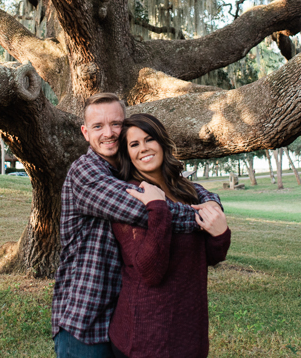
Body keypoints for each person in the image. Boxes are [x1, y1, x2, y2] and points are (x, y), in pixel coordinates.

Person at [52, 94, 222, 358]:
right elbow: (148, 211)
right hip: (86, 319)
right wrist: (203, 218)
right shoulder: (85, 172)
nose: (108, 133)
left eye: (116, 124)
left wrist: (212, 204)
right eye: (98, 126)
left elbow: (187, 188)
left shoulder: (125, 170)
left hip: (121, 316)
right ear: (86, 133)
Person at [107, 113, 230, 358]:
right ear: (127, 154)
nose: (143, 148)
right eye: (134, 144)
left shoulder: (186, 191)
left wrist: (220, 234)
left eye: (149, 139)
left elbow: (210, 257)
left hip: (189, 329)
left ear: (162, 142)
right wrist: (158, 209)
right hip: (145, 338)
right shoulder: (130, 196)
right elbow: (150, 272)